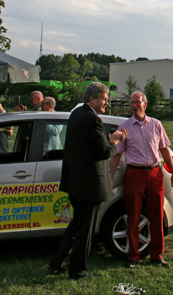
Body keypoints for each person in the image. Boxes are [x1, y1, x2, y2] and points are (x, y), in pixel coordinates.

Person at [48, 83, 126, 280]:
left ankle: (57, 262)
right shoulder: (92, 120)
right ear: (92, 99)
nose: (106, 103)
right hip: (89, 185)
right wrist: (114, 140)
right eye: (104, 99)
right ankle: (78, 271)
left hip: (75, 182)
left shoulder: (76, 114)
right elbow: (104, 151)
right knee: (85, 229)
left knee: (76, 225)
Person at [110, 90, 173, 268]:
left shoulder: (156, 124)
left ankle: (157, 255)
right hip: (134, 174)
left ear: (144, 104)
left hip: (155, 173)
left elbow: (164, 150)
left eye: (137, 102)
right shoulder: (124, 127)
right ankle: (133, 256)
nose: (133, 106)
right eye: (131, 103)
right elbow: (117, 155)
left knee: (157, 215)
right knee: (133, 215)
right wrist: (109, 177)